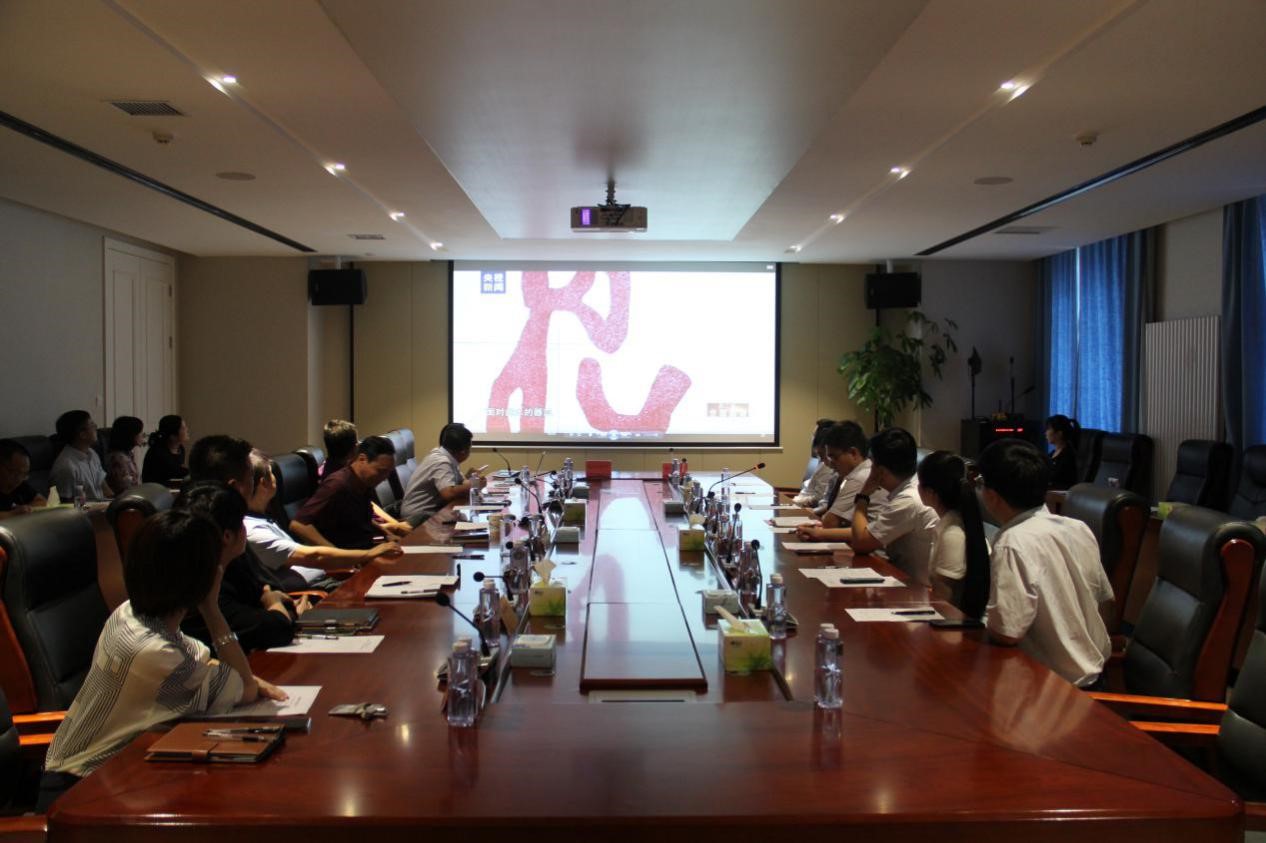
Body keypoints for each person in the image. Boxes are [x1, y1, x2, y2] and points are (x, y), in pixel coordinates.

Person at [38, 509, 286, 810]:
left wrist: (239, 678)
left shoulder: (130, 614)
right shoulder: (156, 653)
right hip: (82, 790)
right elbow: (244, 688)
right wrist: (211, 608)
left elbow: (203, 660)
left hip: (114, 773)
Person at [977, 439, 1113, 687]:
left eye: (980, 483)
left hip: (1052, 687)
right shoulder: (1077, 528)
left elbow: (1007, 632)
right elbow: (1105, 601)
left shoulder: (1012, 542)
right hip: (1096, 678)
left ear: (992, 495)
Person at [177, 479, 305, 651]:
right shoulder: (205, 585)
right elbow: (278, 628)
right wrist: (274, 603)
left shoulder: (234, 561)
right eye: (242, 523)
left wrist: (284, 608)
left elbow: (271, 591)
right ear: (227, 536)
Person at [245, 449, 402, 583]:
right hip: (318, 587)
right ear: (264, 482)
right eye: (271, 473)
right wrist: (367, 555)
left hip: (325, 576)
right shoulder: (253, 530)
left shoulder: (263, 518)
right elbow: (314, 556)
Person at [846, 427, 940, 585]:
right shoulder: (913, 487)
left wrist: (863, 496)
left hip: (919, 590)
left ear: (880, 471)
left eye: (872, 464)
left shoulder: (908, 500)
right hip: (902, 580)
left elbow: (860, 543)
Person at [291, 436, 410, 548]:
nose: (385, 478)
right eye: (381, 471)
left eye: (388, 472)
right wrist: (335, 554)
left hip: (365, 546)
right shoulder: (337, 484)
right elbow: (298, 525)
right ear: (362, 459)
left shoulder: (364, 482)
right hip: (349, 555)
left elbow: (363, 521)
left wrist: (387, 534)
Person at [917, 451, 991, 618]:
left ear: (930, 492)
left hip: (956, 625)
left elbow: (945, 601)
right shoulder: (952, 522)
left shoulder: (953, 534)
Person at [794, 421, 887, 540]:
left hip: (871, 548)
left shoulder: (859, 477)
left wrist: (820, 530)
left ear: (853, 453)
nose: (830, 464)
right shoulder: (858, 472)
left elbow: (830, 523)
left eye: (834, 457)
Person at [400, 423, 487, 527]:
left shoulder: (447, 457)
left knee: (467, 520)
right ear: (464, 451)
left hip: (430, 512)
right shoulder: (441, 461)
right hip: (418, 517)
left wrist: (471, 479)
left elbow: (460, 483)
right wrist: (474, 485)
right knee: (470, 524)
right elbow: (448, 493)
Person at [49, 410, 110, 500]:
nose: (96, 427)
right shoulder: (66, 467)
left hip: (102, 505)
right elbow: (64, 504)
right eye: (92, 425)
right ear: (82, 434)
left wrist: (117, 501)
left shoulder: (92, 453)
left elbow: (103, 485)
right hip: (84, 509)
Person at [791, 419, 837, 513]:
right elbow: (825, 503)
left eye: (815, 435)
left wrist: (796, 503)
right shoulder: (824, 463)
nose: (813, 439)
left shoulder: (829, 467)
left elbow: (820, 499)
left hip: (807, 507)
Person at [0, 439, 47, 519]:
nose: (18, 479)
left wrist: (25, 509)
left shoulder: (19, 484)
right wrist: (12, 514)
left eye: (24, 474)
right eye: (14, 473)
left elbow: (43, 502)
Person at [141, 414, 191, 485]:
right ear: (172, 436)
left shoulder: (180, 448)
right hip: (155, 489)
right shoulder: (157, 452)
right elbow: (174, 472)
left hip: (171, 487)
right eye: (183, 428)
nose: (187, 429)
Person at [104, 415, 145, 496]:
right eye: (140, 432)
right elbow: (125, 488)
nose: (142, 435)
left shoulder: (128, 454)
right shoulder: (118, 458)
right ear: (131, 435)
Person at [1045, 414, 1080, 491]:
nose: (1046, 433)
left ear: (1059, 433)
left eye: (1048, 429)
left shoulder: (1068, 455)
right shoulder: (1052, 453)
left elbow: (1054, 478)